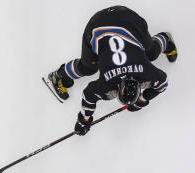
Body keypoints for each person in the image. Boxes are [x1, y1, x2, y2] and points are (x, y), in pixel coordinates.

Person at [43, 6, 177, 135]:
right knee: (88, 67)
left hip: (126, 17)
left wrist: (85, 120)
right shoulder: (108, 83)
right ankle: (58, 76)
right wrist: (83, 120)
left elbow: (163, 83)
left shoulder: (146, 72)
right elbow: (88, 96)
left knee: (150, 54)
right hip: (106, 24)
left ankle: (166, 39)